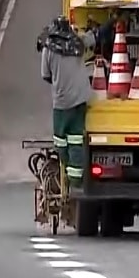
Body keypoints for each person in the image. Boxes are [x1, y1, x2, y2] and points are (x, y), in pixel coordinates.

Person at [40, 16, 97, 189]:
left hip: (62, 102)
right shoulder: (78, 43)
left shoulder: (48, 48)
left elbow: (45, 75)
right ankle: (76, 181)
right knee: (76, 140)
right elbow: (93, 37)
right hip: (80, 100)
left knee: (60, 140)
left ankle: (66, 171)